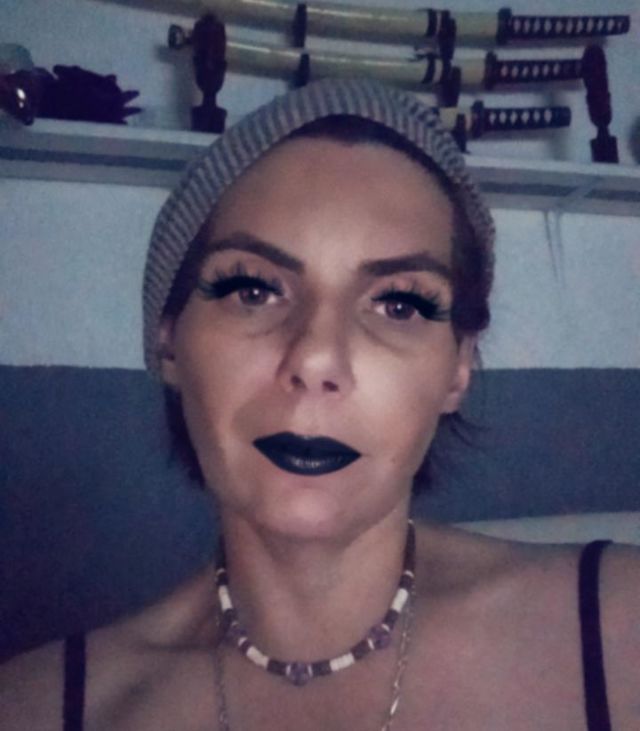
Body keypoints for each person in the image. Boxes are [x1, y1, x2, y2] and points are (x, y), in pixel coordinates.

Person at [2, 77, 639, 730]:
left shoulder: (623, 633)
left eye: (399, 304)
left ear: (457, 368)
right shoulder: (35, 708)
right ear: (168, 341)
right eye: (252, 290)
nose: (314, 359)